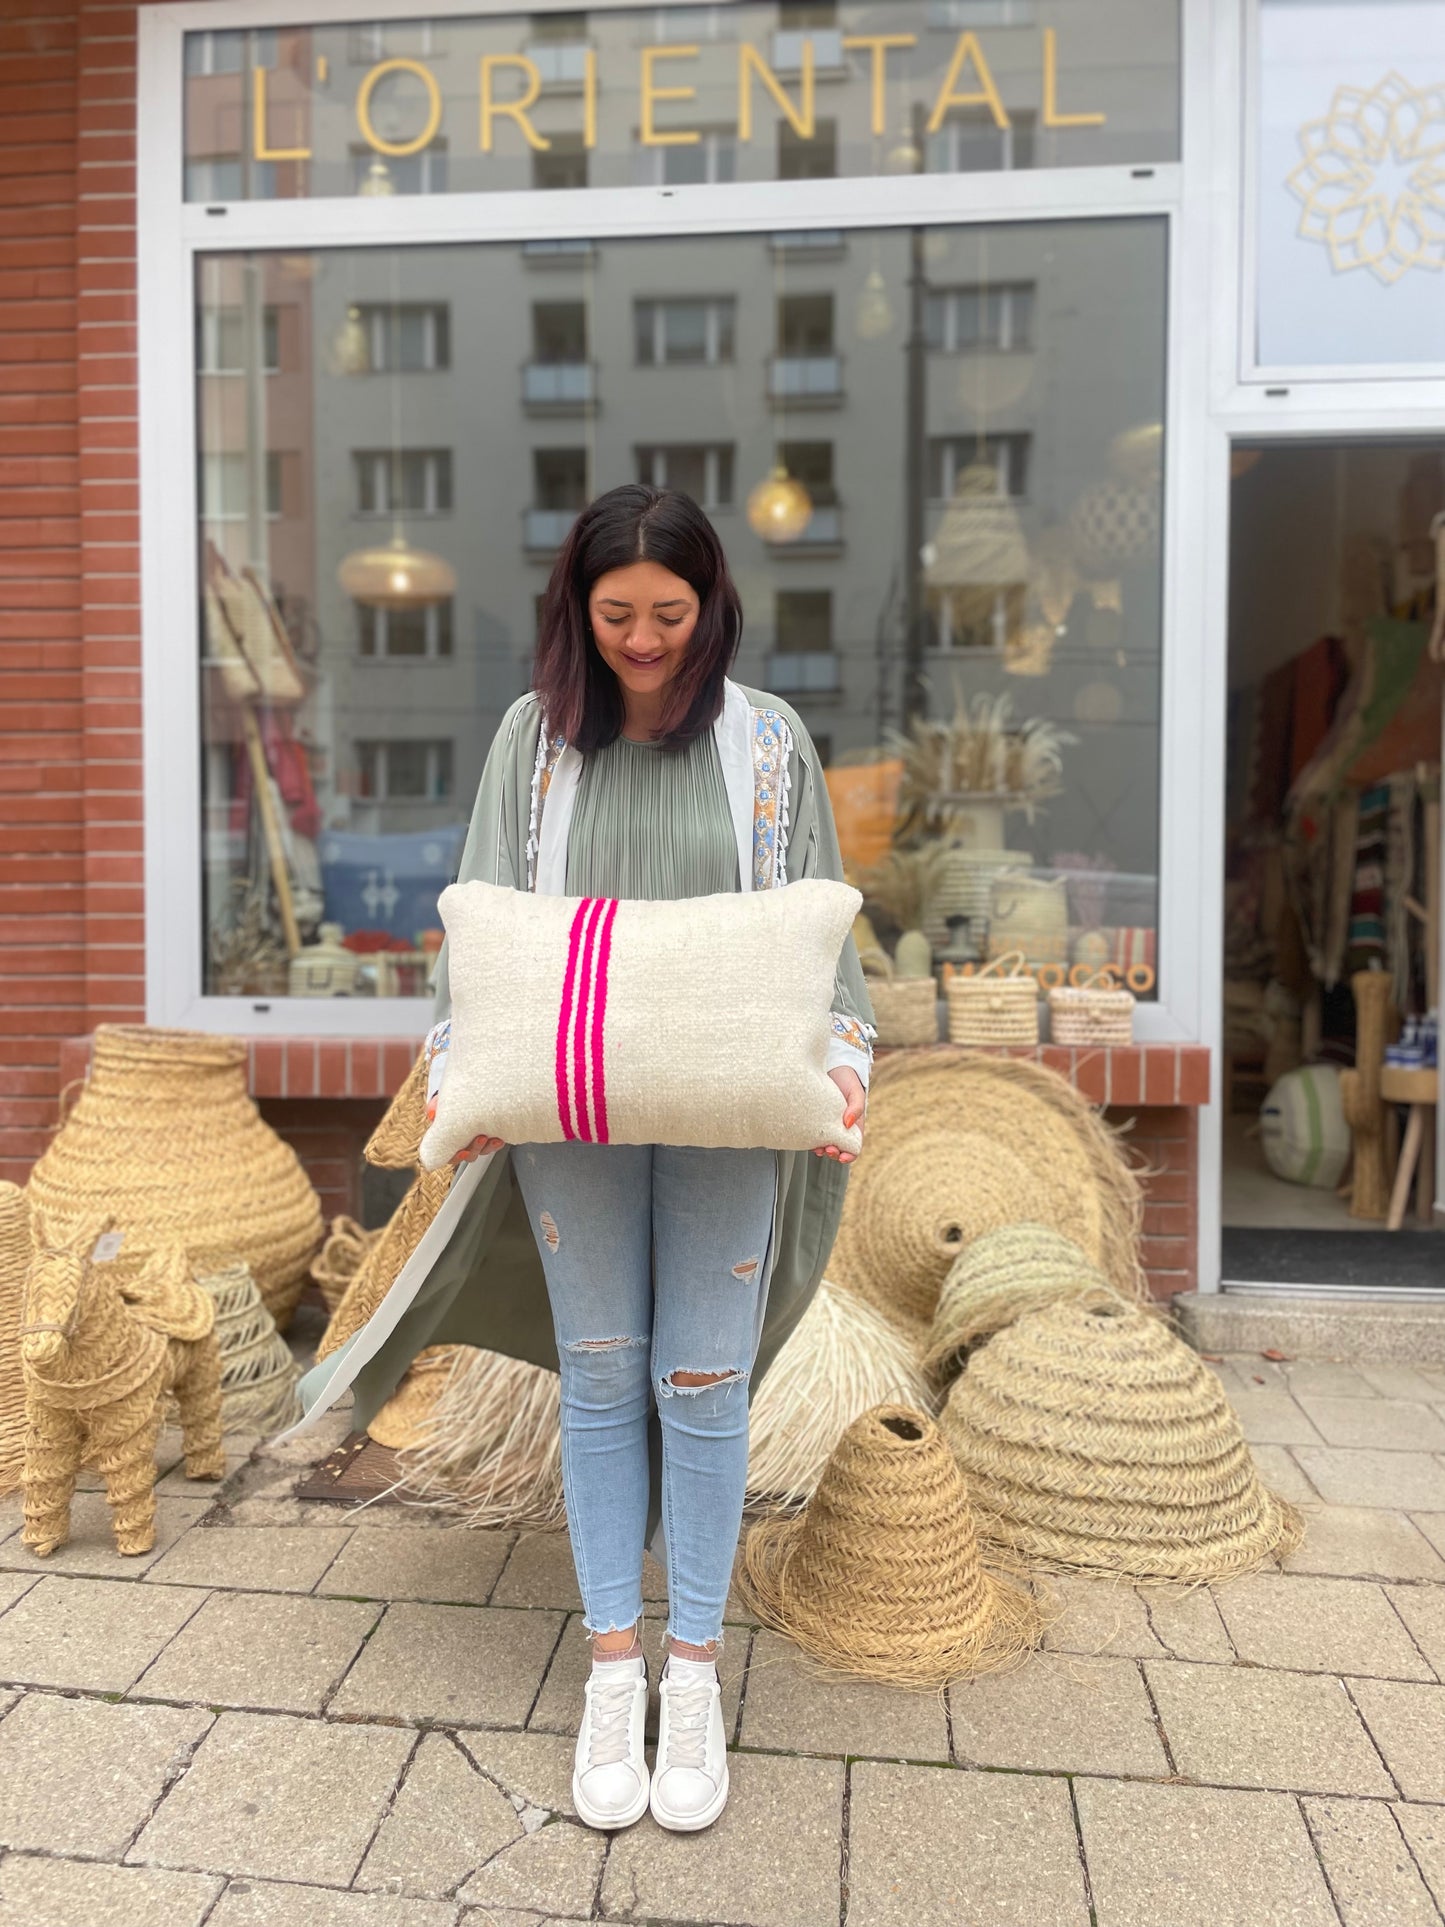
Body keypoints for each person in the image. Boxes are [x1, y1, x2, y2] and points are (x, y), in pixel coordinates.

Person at [294, 483, 874, 1836]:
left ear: (712, 606)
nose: (645, 640)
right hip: (567, 1103)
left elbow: (822, 923)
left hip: (731, 1098)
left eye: (670, 613)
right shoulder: (533, 740)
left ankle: (695, 1675)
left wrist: (843, 1061)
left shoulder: (769, 745)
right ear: (577, 607)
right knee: (603, 1379)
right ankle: (615, 1671)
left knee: (705, 1385)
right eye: (617, 615)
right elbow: (482, 913)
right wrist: (469, 1067)